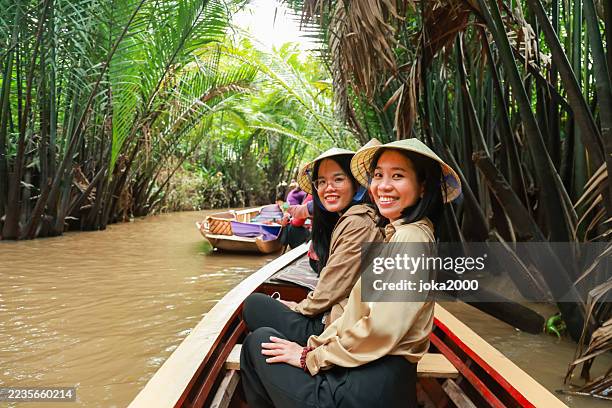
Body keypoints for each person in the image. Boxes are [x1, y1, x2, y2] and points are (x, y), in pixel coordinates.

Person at [240, 138, 461, 408]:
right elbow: (361, 319)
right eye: (378, 175)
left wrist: (309, 357)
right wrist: (313, 348)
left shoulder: (410, 239)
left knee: (257, 343)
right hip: (366, 373)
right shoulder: (402, 234)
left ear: (423, 186)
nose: (383, 186)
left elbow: (379, 330)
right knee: (260, 339)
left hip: (366, 390)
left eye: (398, 176)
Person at [242, 142, 383, 348]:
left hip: (336, 326)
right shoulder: (346, 219)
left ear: (356, 185)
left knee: (254, 306)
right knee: (260, 318)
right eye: (322, 182)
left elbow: (331, 290)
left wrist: (298, 307)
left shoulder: (358, 223)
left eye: (338, 179)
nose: (328, 188)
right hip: (338, 316)